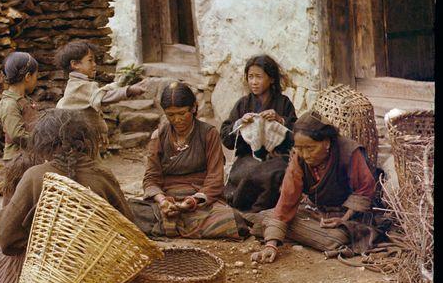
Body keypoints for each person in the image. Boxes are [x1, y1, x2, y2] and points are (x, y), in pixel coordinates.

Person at [0, 109, 133, 283]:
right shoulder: (104, 176)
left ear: (45, 143)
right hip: (90, 276)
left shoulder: (36, 176)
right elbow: (129, 227)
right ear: (85, 140)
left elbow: (6, 239)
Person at [251, 111, 379, 263]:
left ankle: (279, 228)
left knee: (333, 240)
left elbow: (365, 189)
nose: (304, 155)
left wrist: (343, 219)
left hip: (348, 216)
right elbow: (288, 198)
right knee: (269, 219)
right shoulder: (299, 158)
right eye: (299, 148)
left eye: (310, 148)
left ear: (327, 142)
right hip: (316, 212)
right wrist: (271, 245)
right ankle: (278, 230)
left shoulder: (349, 152)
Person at [129, 82, 248, 239]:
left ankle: (168, 226)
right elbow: (151, 179)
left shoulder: (208, 134)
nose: (177, 120)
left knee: (232, 219)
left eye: (182, 113)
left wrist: (192, 201)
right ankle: (177, 223)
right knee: (128, 209)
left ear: (193, 107)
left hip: (200, 203)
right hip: (167, 201)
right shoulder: (159, 136)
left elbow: (215, 179)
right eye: (170, 115)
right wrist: (162, 201)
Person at [220, 55, 297, 212]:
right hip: (248, 157)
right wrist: (240, 123)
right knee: (250, 173)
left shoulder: (283, 103)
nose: (253, 82)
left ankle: (260, 210)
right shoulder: (243, 104)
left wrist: (279, 120)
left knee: (274, 174)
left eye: (259, 77)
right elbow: (226, 138)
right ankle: (245, 209)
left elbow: (297, 134)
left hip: (277, 157)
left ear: (271, 79)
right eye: (250, 77)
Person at [55, 40, 146, 148]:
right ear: (75, 64)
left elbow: (98, 98)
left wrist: (121, 84)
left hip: (83, 136)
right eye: (90, 60)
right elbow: (104, 96)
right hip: (77, 138)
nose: (94, 64)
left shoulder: (80, 85)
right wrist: (128, 90)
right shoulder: (79, 86)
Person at [0, 52, 39, 164]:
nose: (36, 80)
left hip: (29, 156)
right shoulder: (9, 104)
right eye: (36, 76)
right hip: (16, 160)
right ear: (28, 77)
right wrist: (42, 140)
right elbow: (17, 134)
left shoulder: (25, 100)